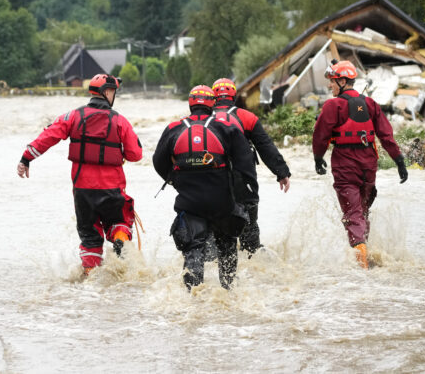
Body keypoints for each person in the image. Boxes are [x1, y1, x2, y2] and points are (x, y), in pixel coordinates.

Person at [16, 74, 143, 276]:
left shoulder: (72, 116)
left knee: (90, 238)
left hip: (83, 191)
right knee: (120, 223)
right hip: (112, 189)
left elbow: (48, 136)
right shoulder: (120, 121)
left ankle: (90, 280)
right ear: (108, 92)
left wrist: (26, 158)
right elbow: (136, 155)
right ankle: (119, 237)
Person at [153, 85, 258, 290]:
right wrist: (248, 193)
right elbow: (245, 163)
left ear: (191, 104)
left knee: (194, 247)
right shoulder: (226, 128)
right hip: (223, 201)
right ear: (212, 104)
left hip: (189, 201)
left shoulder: (174, 128)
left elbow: (158, 161)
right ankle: (228, 291)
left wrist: (175, 181)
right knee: (227, 245)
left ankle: (194, 295)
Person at [312, 60, 408, 269]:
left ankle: (361, 266)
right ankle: (366, 252)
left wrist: (318, 158)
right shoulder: (370, 104)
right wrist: (399, 160)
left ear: (344, 81)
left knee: (353, 213)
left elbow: (320, 135)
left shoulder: (333, 105)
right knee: (362, 210)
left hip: (346, 164)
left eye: (333, 82)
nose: (330, 86)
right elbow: (386, 135)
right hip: (369, 166)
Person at [211, 78, 291, 256]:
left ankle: (212, 265)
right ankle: (252, 258)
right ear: (234, 95)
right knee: (249, 227)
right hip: (243, 180)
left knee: (212, 228)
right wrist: (282, 173)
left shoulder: (205, 119)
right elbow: (265, 147)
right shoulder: (248, 118)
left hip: (212, 180)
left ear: (214, 97)